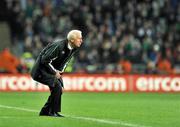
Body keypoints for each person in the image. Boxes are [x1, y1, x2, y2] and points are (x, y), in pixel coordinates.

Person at [31, 30, 83, 117]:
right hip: (40, 70)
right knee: (57, 87)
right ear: (72, 40)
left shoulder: (74, 48)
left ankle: (45, 111)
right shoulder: (59, 46)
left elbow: (66, 62)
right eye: (79, 38)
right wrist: (55, 72)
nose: (81, 40)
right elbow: (44, 60)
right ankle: (52, 112)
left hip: (50, 70)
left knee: (59, 88)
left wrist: (60, 72)